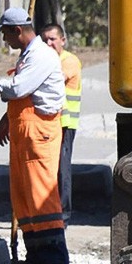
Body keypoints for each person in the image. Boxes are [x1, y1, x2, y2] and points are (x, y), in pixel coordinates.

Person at [0, 7, 69, 264]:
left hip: (38, 131)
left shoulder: (40, 56)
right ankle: (37, 259)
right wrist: (7, 116)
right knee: (24, 197)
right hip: (25, 130)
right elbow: (22, 92)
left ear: (17, 30)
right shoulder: (29, 56)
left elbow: (17, 88)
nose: (5, 41)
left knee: (42, 197)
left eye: (5, 34)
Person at [40, 23, 81, 226]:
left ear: (62, 41)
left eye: (52, 39)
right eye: (45, 39)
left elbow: (56, 79)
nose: (49, 43)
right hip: (50, 122)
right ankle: (52, 212)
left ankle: (63, 215)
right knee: (50, 168)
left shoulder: (69, 61)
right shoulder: (48, 61)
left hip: (65, 123)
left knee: (62, 170)